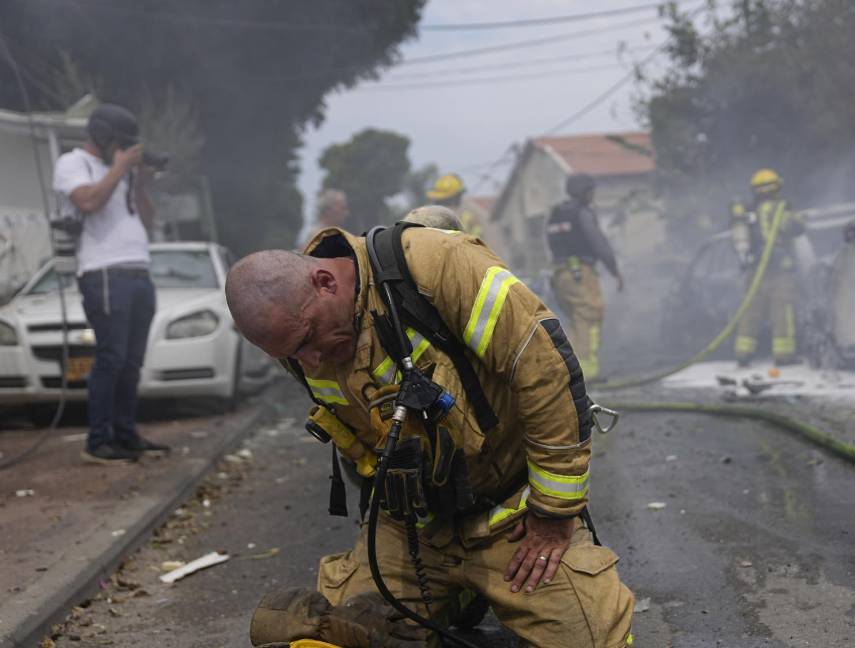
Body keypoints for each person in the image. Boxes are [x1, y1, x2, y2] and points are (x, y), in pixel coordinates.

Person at [225, 223, 634, 647]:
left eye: (308, 338)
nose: (309, 363)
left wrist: (552, 514)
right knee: (341, 636)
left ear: (326, 282)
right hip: (413, 528)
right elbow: (358, 441)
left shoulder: (436, 264)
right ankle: (457, 592)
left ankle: (476, 585)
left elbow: (545, 370)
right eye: (291, 354)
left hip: (511, 516)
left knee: (590, 640)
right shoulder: (301, 340)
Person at [52, 103, 169, 464]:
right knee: (111, 357)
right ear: (104, 138)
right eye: (121, 143)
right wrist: (119, 168)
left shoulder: (123, 175)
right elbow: (88, 202)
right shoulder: (73, 163)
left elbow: (147, 221)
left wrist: (141, 182)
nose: (126, 150)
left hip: (138, 271)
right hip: (103, 271)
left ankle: (126, 434)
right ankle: (98, 440)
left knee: (132, 361)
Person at [545, 174, 623, 382]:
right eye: (591, 191)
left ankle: (572, 371)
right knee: (589, 316)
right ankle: (588, 372)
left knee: (576, 321)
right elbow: (598, 242)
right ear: (585, 192)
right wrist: (614, 270)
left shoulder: (556, 213)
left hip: (560, 274)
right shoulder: (582, 212)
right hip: (580, 273)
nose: (593, 195)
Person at [730, 168, 805, 367]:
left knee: (750, 312)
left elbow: (739, 242)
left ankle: (743, 354)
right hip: (779, 270)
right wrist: (793, 214)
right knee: (782, 312)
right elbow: (797, 228)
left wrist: (745, 260)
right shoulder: (779, 209)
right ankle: (784, 356)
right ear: (777, 188)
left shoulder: (747, 214)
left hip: (755, 271)